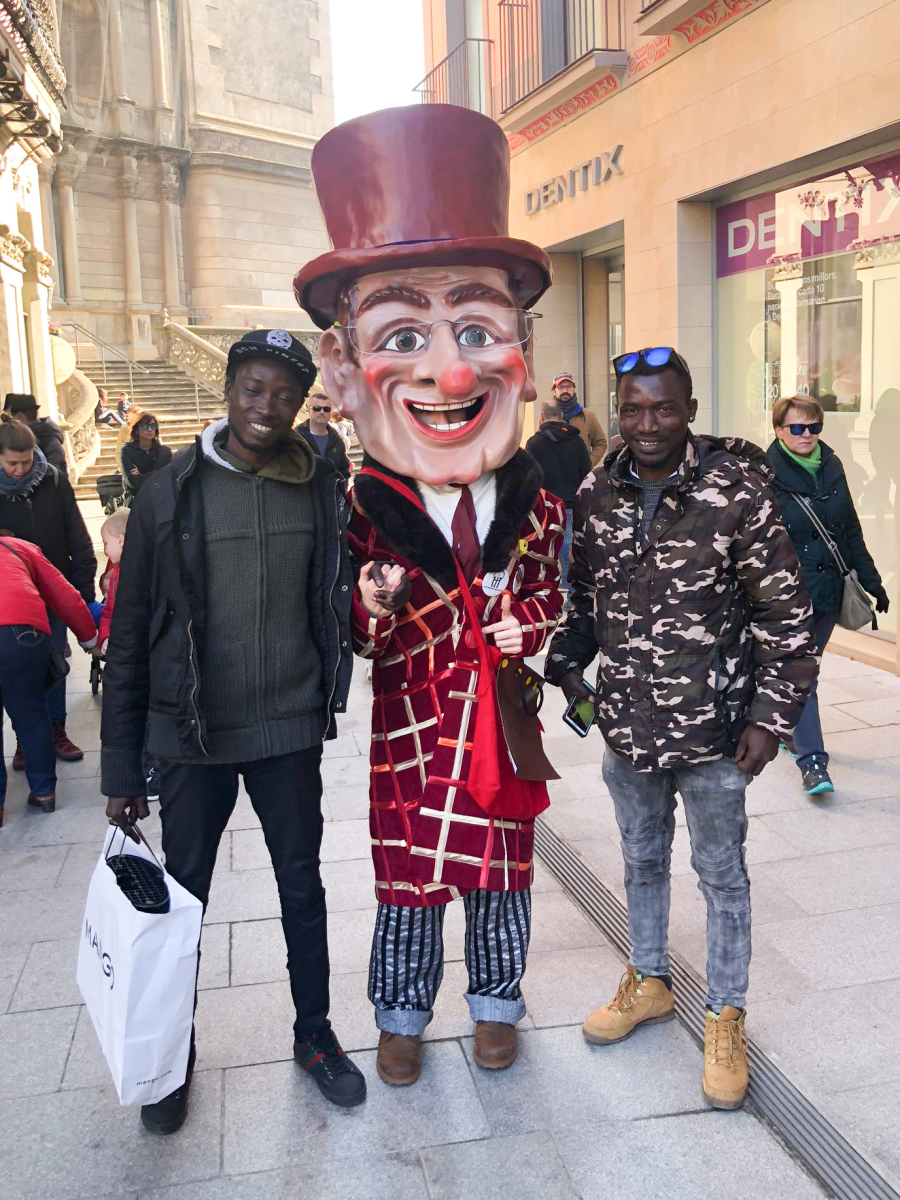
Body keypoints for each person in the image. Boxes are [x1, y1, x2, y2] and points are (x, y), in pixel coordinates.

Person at [297, 104, 565, 1087]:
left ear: (522, 351)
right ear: (343, 370)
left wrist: (526, 619)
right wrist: (365, 607)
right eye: (402, 334)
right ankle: (402, 1016)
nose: (450, 372)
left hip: (500, 724)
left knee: (502, 879)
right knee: (407, 883)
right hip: (411, 732)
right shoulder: (358, 509)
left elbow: (551, 588)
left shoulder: (539, 501)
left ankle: (496, 1006)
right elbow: (344, 624)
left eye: (478, 330)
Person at [101, 328, 363, 1135]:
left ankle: (314, 1035)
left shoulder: (320, 486)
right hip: (193, 735)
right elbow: (130, 630)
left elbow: (338, 591)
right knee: (183, 903)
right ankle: (169, 1056)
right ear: (227, 391)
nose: (266, 407)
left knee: (302, 888)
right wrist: (121, 768)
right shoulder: (168, 494)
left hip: (287, 727)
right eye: (253, 389)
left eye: (284, 395)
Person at [546, 346, 817, 1112]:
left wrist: (771, 719)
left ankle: (725, 1014)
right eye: (633, 408)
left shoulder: (736, 491)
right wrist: (565, 664)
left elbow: (786, 618)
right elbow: (584, 598)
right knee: (640, 860)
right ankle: (650, 978)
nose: (647, 423)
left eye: (664, 407)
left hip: (716, 734)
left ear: (690, 412)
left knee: (721, 875)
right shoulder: (596, 492)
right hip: (628, 729)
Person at [765, 396, 888, 795]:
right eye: (797, 427)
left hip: (829, 592)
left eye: (814, 427)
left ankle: (789, 731)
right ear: (779, 430)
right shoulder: (765, 473)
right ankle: (813, 762)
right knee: (802, 674)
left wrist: (871, 580)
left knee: (805, 671)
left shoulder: (831, 465)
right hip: (788, 595)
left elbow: (849, 528)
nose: (807, 435)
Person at [0, 413, 96, 765]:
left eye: (25, 462)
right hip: (11, 595)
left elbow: (77, 535)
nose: (19, 470)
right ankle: (27, 738)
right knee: (20, 671)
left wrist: (83, 589)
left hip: (54, 588)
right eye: (11, 463)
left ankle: (56, 729)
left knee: (55, 661)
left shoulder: (53, 480)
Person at [0, 534, 97, 825]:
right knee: (31, 713)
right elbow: (64, 595)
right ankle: (44, 792)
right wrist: (89, 638)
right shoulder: (21, 548)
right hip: (22, 632)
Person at [526, 400, 592, 597]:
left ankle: (544, 594)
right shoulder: (577, 442)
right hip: (571, 505)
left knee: (543, 551)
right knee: (569, 552)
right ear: (562, 416)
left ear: (542, 417)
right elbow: (587, 475)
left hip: (544, 508)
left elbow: (529, 479)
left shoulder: (534, 443)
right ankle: (571, 595)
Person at [551, 371, 608, 467]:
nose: (565, 391)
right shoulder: (548, 416)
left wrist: (589, 463)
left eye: (569, 387)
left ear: (574, 389)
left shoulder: (589, 416)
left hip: (582, 474)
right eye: (560, 387)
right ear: (554, 391)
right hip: (555, 473)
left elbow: (601, 443)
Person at [4, 393, 68, 475]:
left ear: (19, 416)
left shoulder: (48, 439)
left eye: (7, 419)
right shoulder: (12, 439)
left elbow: (57, 475)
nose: (5, 424)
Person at [97, 507, 130, 653]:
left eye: (106, 543)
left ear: (120, 540)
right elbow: (109, 612)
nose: (105, 551)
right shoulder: (114, 574)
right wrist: (105, 637)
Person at [297, 392, 351, 479]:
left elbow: (344, 472)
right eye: (317, 408)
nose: (322, 412)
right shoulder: (297, 438)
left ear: (330, 413)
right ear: (309, 410)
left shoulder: (337, 442)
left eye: (326, 409)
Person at [121, 412, 172, 493]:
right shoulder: (127, 450)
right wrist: (158, 474)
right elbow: (133, 482)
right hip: (136, 496)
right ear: (136, 430)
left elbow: (167, 478)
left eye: (153, 426)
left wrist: (140, 475)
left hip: (160, 495)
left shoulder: (165, 452)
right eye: (145, 426)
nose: (150, 429)